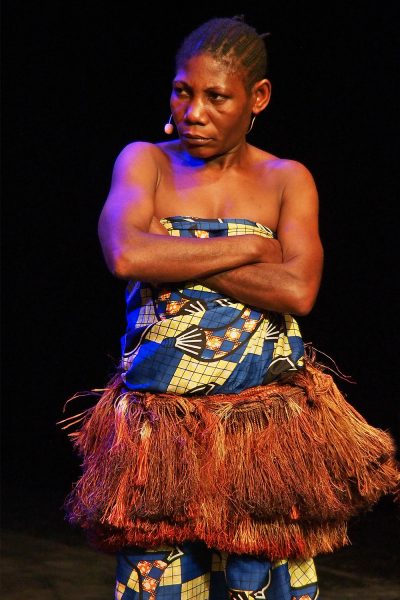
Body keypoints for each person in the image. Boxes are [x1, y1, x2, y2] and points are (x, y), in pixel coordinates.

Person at [61, 16, 399, 600]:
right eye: (182, 91)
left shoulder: (286, 179)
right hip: (160, 433)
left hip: (263, 436)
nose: (195, 112)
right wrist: (248, 246)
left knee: (257, 586)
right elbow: (124, 252)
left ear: (257, 98)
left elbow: (297, 292)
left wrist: (172, 247)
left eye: (216, 97)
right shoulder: (146, 162)